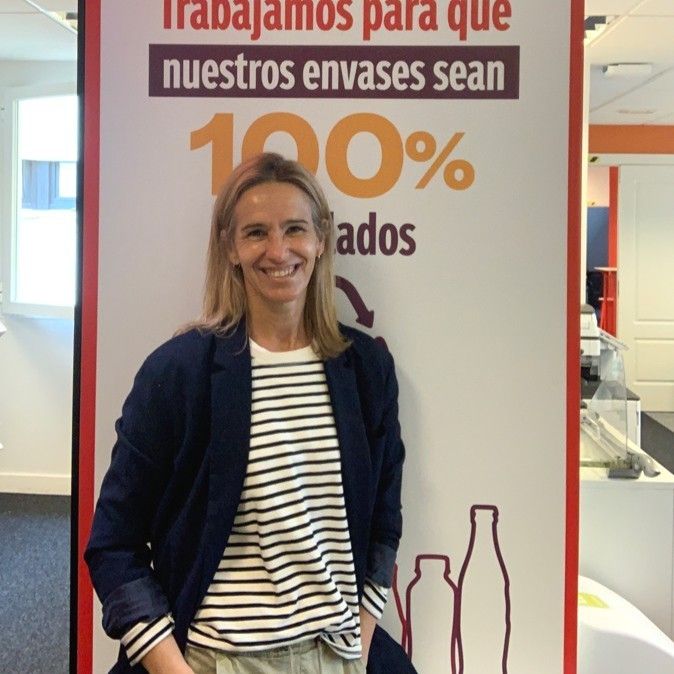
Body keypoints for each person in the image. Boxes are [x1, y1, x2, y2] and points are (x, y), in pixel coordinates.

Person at [85, 153, 408, 674]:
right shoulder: (178, 373)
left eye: (295, 229)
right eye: (256, 233)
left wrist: (359, 652)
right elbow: (113, 545)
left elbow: (383, 530)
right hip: (215, 659)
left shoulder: (368, 370)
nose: (278, 251)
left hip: (338, 655)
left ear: (321, 239)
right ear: (230, 248)